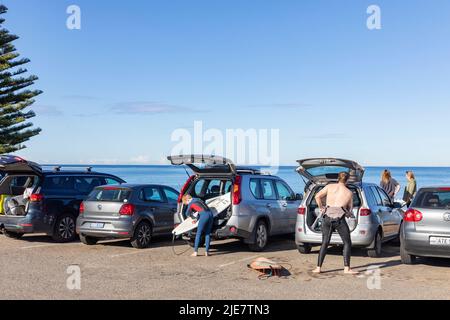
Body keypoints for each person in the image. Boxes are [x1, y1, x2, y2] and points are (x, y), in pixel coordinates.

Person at [312, 172, 359, 275]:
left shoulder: (329, 187)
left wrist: (321, 207)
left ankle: (318, 268)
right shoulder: (349, 193)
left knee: (325, 242)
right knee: (347, 242)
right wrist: (347, 213)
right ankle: (346, 268)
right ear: (347, 180)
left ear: (338, 178)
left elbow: (317, 196)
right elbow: (349, 211)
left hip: (327, 218)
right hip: (339, 220)